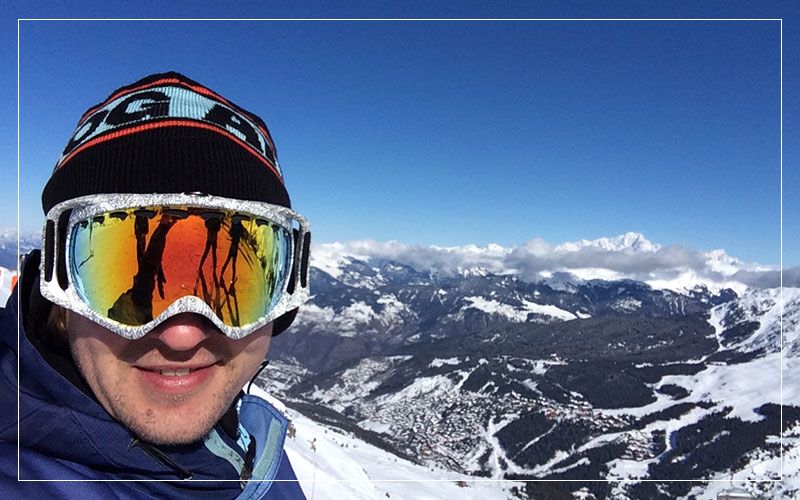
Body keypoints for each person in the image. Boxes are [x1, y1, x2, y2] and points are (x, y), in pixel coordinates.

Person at [0, 72, 312, 499]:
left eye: (235, 281)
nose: (181, 334)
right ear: (59, 291)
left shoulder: (255, 444)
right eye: (125, 275)